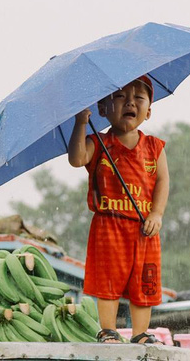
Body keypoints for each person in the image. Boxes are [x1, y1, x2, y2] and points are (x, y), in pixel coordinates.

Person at [68, 75, 170, 344]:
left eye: (139, 97)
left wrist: (157, 214)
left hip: (144, 228)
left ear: (148, 111)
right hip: (108, 225)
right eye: (120, 96)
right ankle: (108, 330)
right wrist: (80, 123)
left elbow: (162, 181)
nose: (130, 102)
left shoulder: (154, 148)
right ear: (103, 109)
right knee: (108, 280)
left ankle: (140, 333)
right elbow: (77, 159)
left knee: (144, 282)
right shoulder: (98, 143)